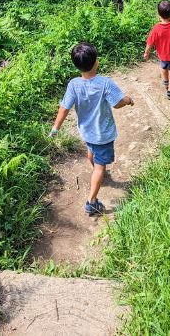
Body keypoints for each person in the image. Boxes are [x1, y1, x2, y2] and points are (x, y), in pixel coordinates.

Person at [49, 42, 134, 216]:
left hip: (87, 132)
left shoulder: (74, 84)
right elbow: (117, 103)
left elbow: (64, 107)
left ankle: (97, 170)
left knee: (91, 151)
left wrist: (55, 128)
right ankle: (92, 202)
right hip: (103, 134)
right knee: (100, 166)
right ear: (96, 62)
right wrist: (127, 100)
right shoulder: (105, 83)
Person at [144, 0, 170, 100]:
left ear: (158, 14)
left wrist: (146, 53)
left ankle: (166, 83)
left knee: (163, 68)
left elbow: (149, 43)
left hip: (162, 56)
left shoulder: (156, 29)